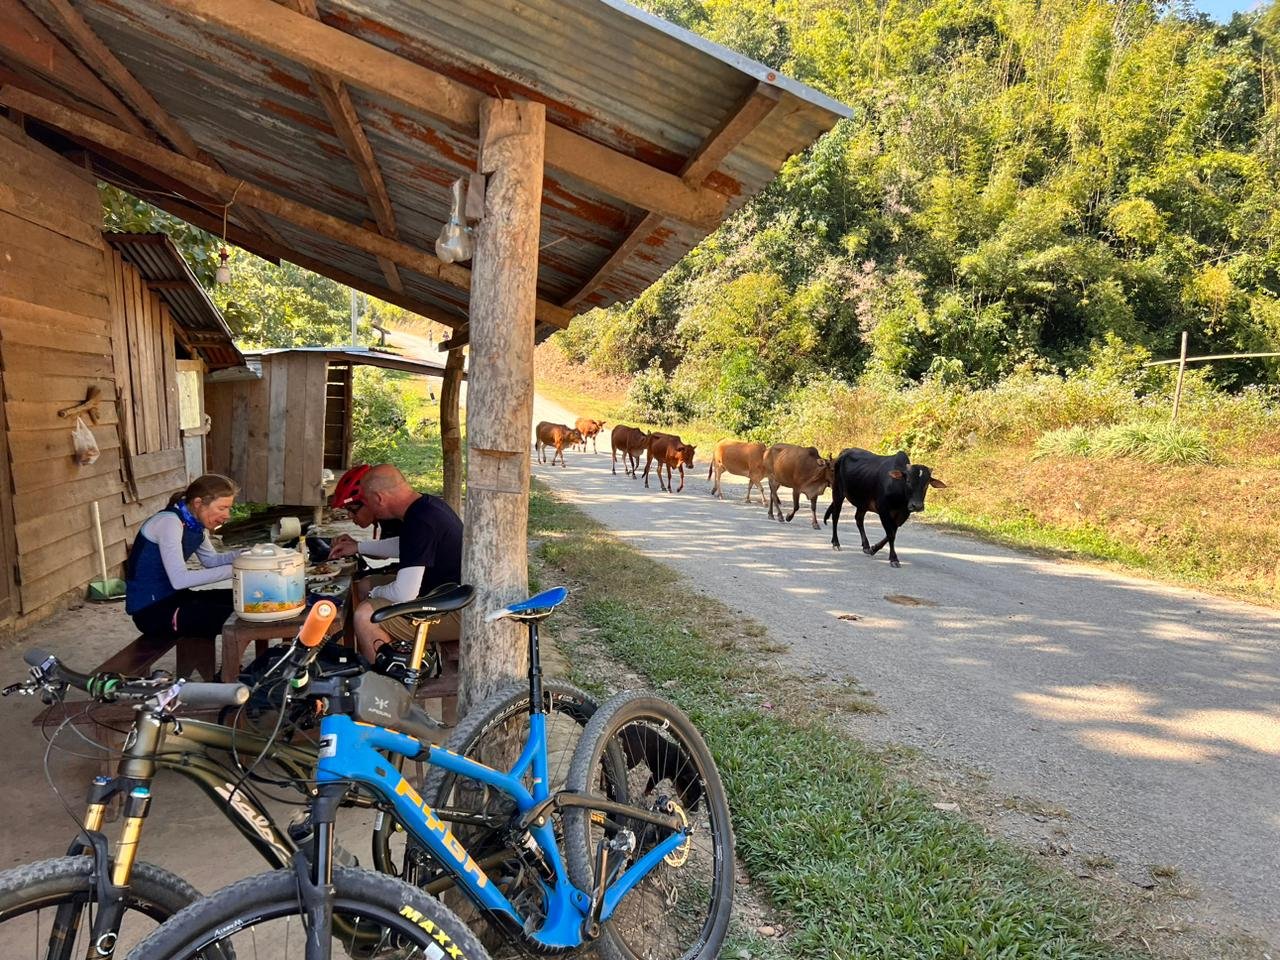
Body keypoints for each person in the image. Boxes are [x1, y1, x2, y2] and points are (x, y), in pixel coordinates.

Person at [341, 465, 463, 661]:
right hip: (444, 594)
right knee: (363, 586)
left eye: (367, 501)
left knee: (366, 616)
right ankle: (392, 655)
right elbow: (408, 545)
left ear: (379, 498)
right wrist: (358, 548)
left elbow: (404, 594)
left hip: (457, 610)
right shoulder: (425, 505)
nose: (368, 507)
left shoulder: (420, 521)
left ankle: (388, 683)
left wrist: (375, 593)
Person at [124, 474, 243, 639]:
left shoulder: (194, 523)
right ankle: (232, 666)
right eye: (222, 508)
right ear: (198, 503)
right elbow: (179, 580)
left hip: (175, 598)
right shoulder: (169, 522)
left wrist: (244, 556)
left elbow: (211, 561)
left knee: (242, 599)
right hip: (151, 611)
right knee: (239, 616)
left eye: (228, 508)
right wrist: (236, 569)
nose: (227, 515)